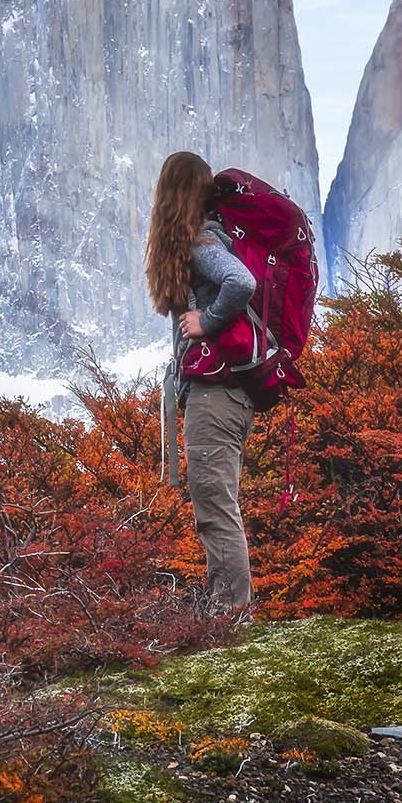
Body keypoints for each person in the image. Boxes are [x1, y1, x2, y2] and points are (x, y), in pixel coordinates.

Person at [145, 150, 257, 616]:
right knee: (214, 500)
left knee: (213, 504)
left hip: (216, 394)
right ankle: (228, 610)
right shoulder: (210, 238)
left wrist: (206, 322)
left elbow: (242, 282)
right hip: (223, 392)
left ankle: (230, 617)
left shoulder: (200, 241)